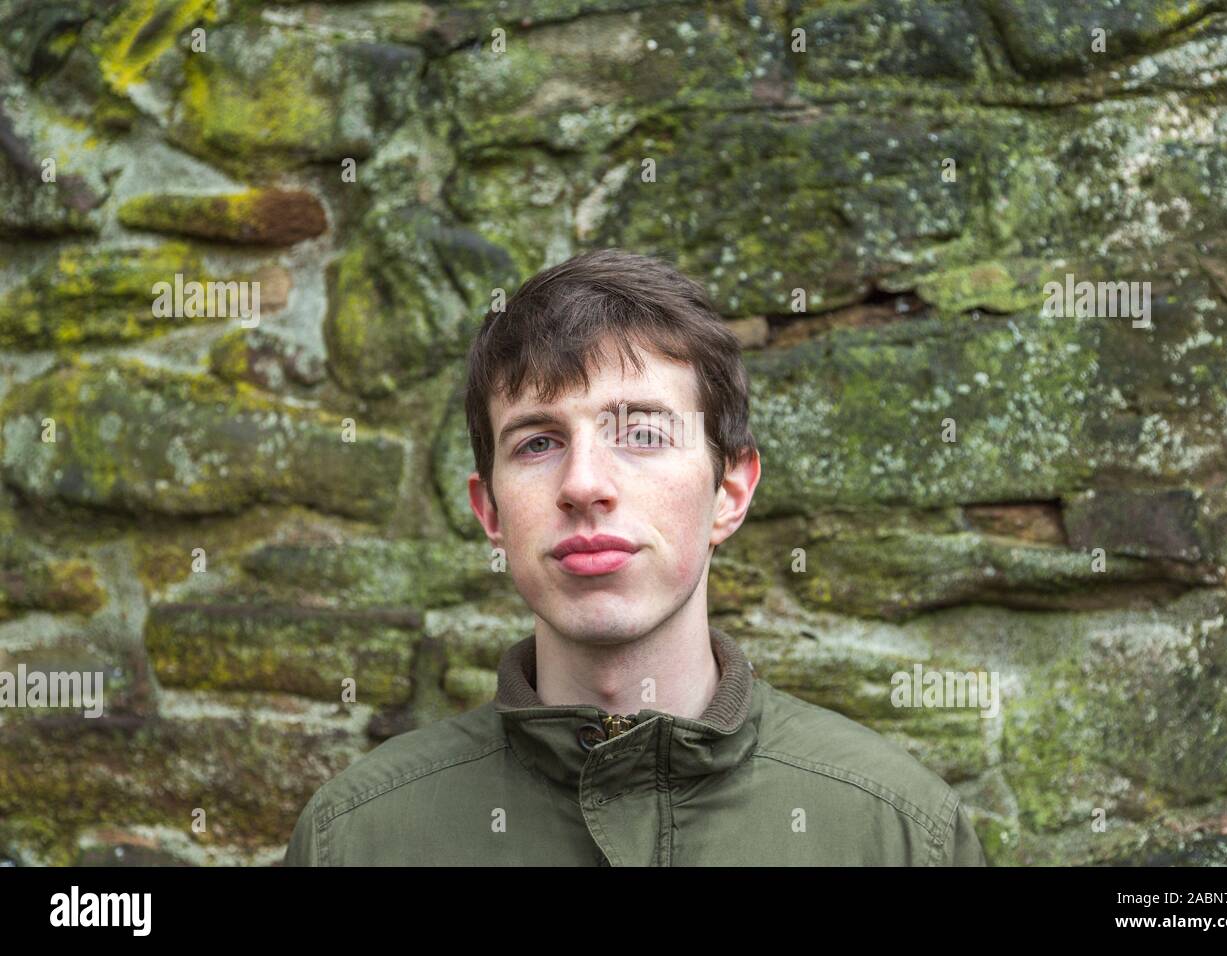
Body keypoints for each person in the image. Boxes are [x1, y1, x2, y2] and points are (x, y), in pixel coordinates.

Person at [284, 248, 987, 866]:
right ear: (490, 511)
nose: (585, 484)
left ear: (729, 493)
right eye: (538, 442)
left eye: (642, 434)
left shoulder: (900, 835)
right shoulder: (354, 840)